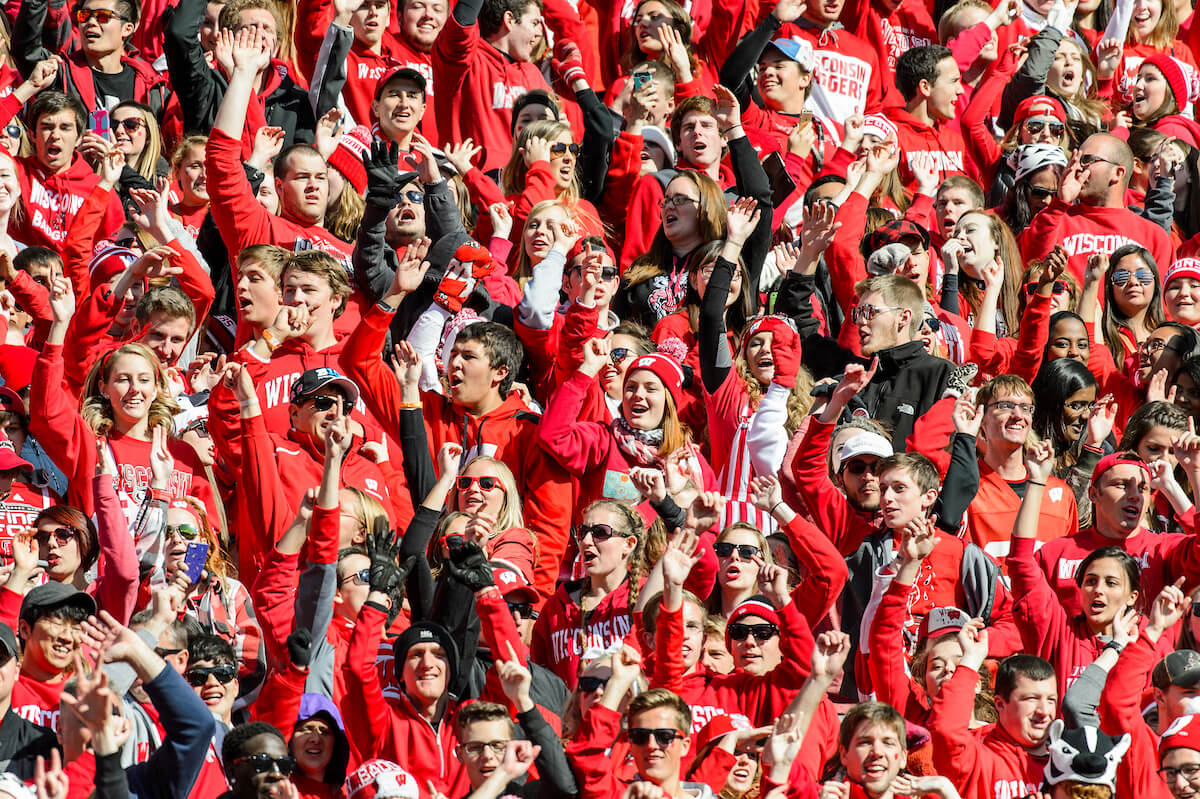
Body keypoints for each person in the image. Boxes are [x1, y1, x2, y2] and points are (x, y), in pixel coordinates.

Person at [1021, 133, 1174, 282]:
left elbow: (1160, 304)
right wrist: (1059, 204)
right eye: (1075, 160)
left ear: (1118, 173)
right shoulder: (1054, 220)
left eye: (1087, 160)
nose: (1078, 168)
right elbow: (1032, 267)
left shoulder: (1154, 236)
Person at [432, 0, 549, 174]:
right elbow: (459, 31)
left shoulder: (533, 73)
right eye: (534, 23)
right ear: (509, 20)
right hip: (470, 187)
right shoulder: (464, 62)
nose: (540, 33)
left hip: (523, 186)